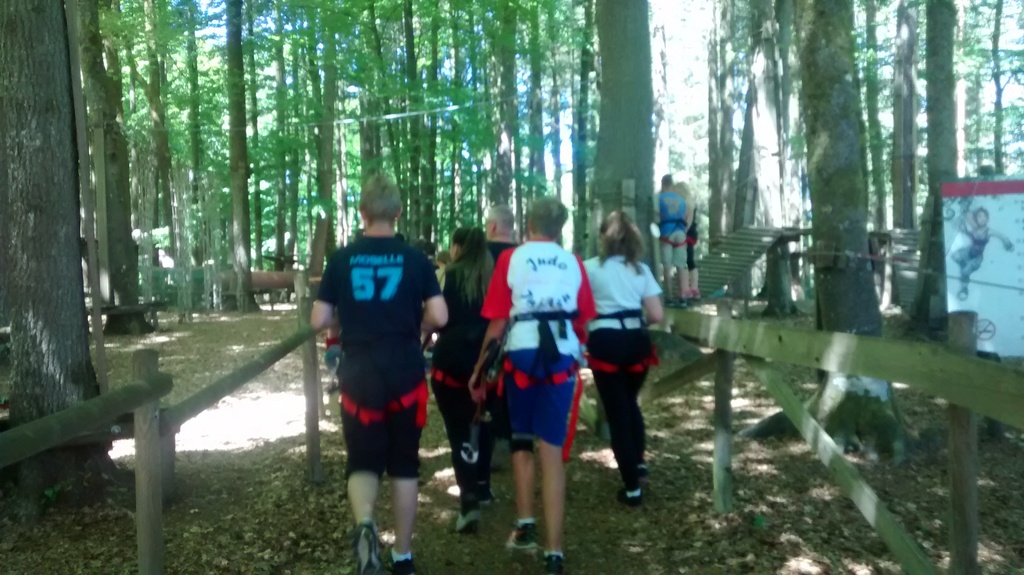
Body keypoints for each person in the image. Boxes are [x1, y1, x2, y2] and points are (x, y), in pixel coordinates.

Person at [311, 174, 448, 575]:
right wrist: (415, 324)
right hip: (405, 369)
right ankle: (402, 556)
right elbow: (440, 315)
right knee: (404, 463)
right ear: (398, 213)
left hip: (359, 372)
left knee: (362, 460)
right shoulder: (415, 259)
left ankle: (366, 524)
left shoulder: (342, 258)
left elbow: (319, 319)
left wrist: (351, 315)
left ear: (362, 213)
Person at [469, 197, 597, 575]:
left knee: (522, 441)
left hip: (521, 353)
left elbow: (497, 323)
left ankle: (526, 525)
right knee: (552, 452)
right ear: (560, 228)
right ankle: (554, 551)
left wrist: (479, 369)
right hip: (561, 355)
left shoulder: (512, 258)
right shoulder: (573, 263)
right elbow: (583, 320)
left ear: (529, 224)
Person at [583, 212, 663, 508]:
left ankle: (631, 489)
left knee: (617, 412)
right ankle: (638, 465)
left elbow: (580, 308)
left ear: (603, 238)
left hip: (605, 341)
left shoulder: (590, 268)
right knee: (630, 404)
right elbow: (656, 314)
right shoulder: (641, 270)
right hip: (637, 341)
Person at [425, 227, 496, 534]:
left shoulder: (446, 276)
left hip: (450, 361)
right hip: (489, 361)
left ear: (457, 248)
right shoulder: (496, 279)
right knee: (484, 422)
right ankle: (482, 485)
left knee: (458, 431)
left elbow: (434, 317)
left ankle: (468, 499)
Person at [484, 203, 518, 467]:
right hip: (518, 328)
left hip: (485, 326)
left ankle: (487, 439)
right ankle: (508, 437)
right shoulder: (522, 255)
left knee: (486, 380)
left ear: (493, 226)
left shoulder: (480, 254)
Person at [951, 207, 1013, 300]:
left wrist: (1007, 243)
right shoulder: (974, 229)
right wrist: (963, 228)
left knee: (965, 271)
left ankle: (964, 288)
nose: (982, 219)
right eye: (980, 216)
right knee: (954, 256)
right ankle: (964, 266)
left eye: (984, 217)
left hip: (977, 257)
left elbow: (1001, 236)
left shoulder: (988, 231)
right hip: (969, 251)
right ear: (976, 219)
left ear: (987, 218)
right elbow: (968, 231)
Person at [655, 175, 689, 304]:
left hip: (666, 232)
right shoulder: (681, 199)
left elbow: (656, 215)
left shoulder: (659, 198)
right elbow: (685, 216)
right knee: (680, 265)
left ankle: (668, 297)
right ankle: (682, 297)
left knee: (667, 266)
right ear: (672, 184)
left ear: (663, 184)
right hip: (680, 232)